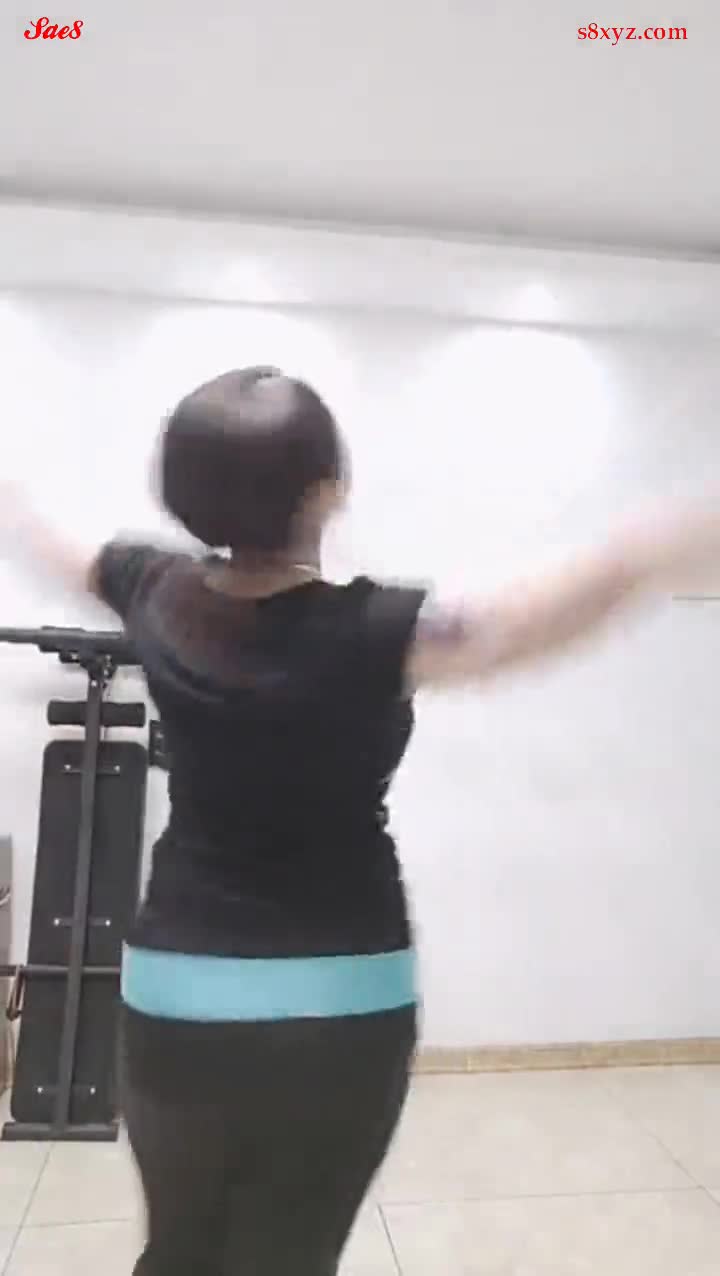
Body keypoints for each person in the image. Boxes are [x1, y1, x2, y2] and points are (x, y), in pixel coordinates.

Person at [3, 365, 720, 1276]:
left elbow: (46, 542)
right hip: (340, 997)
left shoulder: (149, 587)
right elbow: (527, 618)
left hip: (179, 982)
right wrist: (647, 552)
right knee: (289, 1257)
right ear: (326, 492)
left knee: (182, 1249)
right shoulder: (380, 628)